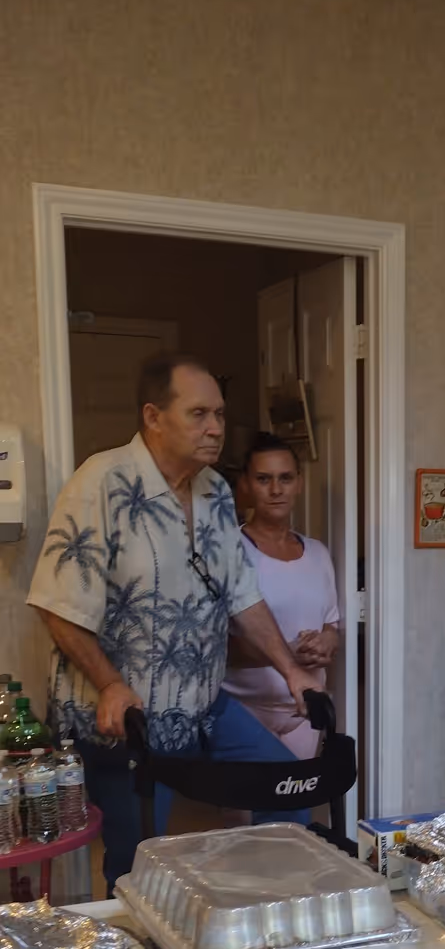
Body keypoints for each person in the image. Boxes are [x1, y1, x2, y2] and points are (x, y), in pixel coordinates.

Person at [27, 353, 317, 891]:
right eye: (199, 413)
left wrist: (290, 671)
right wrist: (111, 684)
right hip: (124, 717)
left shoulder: (215, 493)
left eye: (221, 415)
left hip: (203, 703)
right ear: (153, 416)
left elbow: (242, 596)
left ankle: (264, 916)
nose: (215, 429)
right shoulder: (102, 482)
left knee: (287, 790)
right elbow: (56, 604)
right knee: (140, 863)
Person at [223, 433, 340, 758]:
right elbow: (213, 649)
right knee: (243, 808)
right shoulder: (227, 550)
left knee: (295, 806)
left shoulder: (317, 553)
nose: (276, 490)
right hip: (242, 711)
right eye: (264, 479)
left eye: (285, 478)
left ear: (299, 484)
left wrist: (329, 642)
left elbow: (331, 623)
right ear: (245, 484)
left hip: (303, 713)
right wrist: (284, 655)